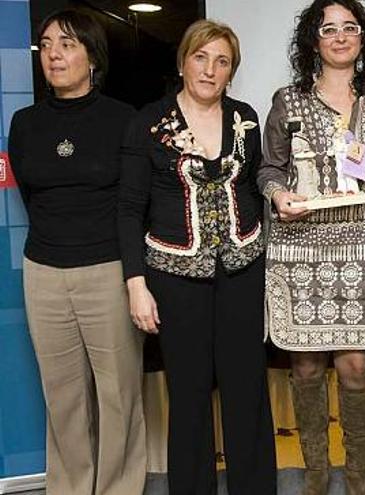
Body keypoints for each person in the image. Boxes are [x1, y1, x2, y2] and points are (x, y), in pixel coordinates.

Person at [118, 19, 276, 495]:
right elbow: (128, 209)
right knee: (187, 396)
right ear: (183, 62)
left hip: (242, 272)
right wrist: (136, 284)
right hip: (174, 278)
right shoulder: (148, 122)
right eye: (201, 57)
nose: (210, 70)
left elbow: (254, 188)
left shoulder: (244, 118)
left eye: (222, 61)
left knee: (246, 389)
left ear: (232, 72)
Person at [257, 1, 365, 493]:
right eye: (329, 29)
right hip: (302, 249)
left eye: (350, 28)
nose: (340, 37)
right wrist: (278, 194)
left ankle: (358, 476)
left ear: (363, 38)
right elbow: (269, 168)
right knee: (305, 364)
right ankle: (318, 475)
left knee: (356, 365)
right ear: (313, 40)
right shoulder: (288, 99)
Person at [7, 9, 146, 495]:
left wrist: (133, 278)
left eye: (66, 44)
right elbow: (32, 195)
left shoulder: (123, 119)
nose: (53, 55)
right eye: (46, 45)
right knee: (63, 396)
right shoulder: (24, 124)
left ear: (92, 56)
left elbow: (133, 204)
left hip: (107, 270)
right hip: (43, 271)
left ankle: (118, 488)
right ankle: (69, 487)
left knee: (118, 393)